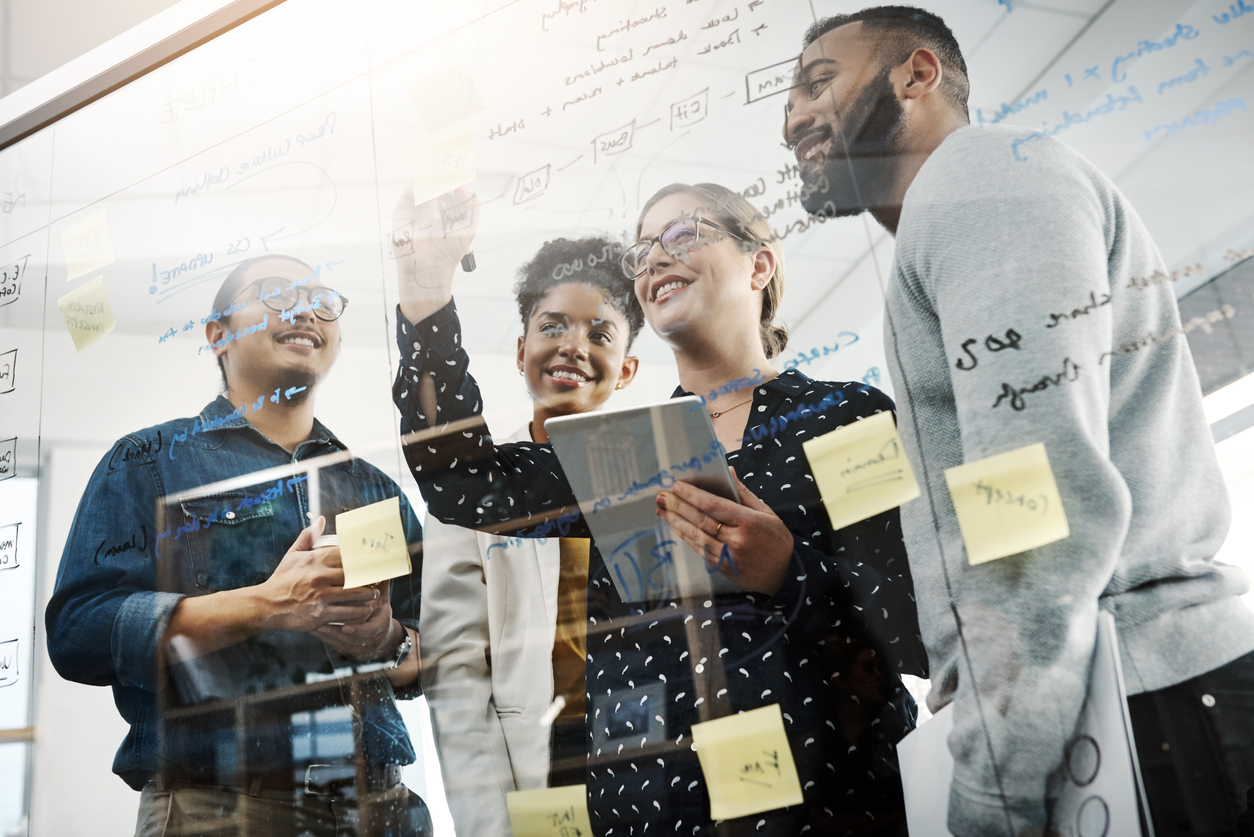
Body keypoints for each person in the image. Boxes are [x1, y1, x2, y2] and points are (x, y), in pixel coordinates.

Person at [783, 6, 1254, 836]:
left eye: (819, 83)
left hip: (1143, 705)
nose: (793, 120)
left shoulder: (981, 183)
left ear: (917, 76)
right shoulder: (962, 205)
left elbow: (1034, 508)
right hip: (1113, 699)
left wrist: (995, 785)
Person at [391, 184, 927, 836]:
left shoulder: (846, 420)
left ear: (760, 265)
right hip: (652, 813)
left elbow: (916, 625)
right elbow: (459, 479)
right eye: (643, 251)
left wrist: (790, 571)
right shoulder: (613, 457)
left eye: (683, 236)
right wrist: (425, 299)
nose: (652, 261)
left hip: (823, 806)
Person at [45, 255, 432, 837]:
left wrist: (385, 639)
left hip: (382, 808)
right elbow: (78, 634)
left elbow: (436, 655)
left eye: (323, 300)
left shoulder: (373, 488)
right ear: (218, 336)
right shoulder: (147, 462)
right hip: (221, 810)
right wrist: (268, 605)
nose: (304, 309)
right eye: (275, 294)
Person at [418, 234, 643, 836]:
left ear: (628, 369)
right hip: (542, 769)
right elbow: (456, 678)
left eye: (600, 334)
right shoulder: (469, 490)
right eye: (553, 327)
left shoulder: (656, 470)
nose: (574, 347)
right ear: (521, 351)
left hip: (655, 763)